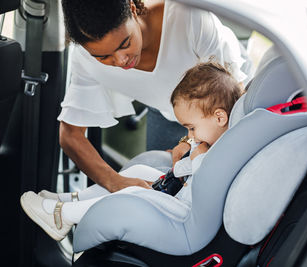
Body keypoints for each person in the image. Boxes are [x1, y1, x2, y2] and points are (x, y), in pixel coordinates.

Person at [20, 61, 244, 241]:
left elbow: (207, 183)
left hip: (185, 211)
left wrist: (196, 160)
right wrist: (183, 165)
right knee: (138, 171)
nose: (191, 136)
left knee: (134, 193)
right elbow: (186, 170)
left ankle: (62, 218)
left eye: (191, 128)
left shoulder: (223, 151)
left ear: (219, 117)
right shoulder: (210, 140)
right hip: (180, 194)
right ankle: (68, 199)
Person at [58, 0, 251, 193]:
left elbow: (230, 100)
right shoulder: (85, 61)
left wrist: (190, 142)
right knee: (163, 184)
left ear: (133, 10)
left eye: (124, 44)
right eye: (102, 57)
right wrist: (113, 181)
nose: (120, 60)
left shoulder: (189, 17)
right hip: (167, 110)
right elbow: (70, 135)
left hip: (226, 98)